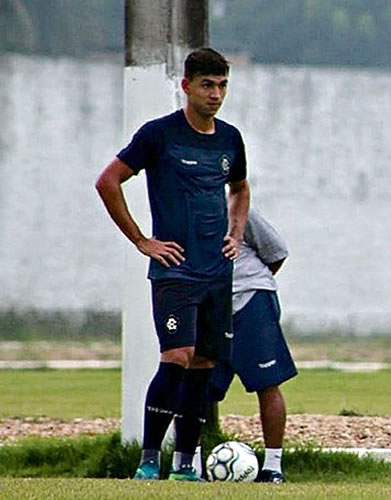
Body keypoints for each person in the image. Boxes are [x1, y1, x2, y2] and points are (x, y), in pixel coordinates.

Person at [95, 47, 250, 481]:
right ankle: (148, 460)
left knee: (203, 363)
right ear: (187, 86)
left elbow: (240, 188)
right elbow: (108, 181)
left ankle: (185, 464)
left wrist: (235, 235)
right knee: (177, 356)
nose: (216, 94)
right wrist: (143, 240)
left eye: (222, 85)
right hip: (175, 272)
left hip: (216, 271)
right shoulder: (159, 135)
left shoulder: (230, 139)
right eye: (207, 85)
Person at [207, 207, 297, 484]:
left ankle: (272, 467)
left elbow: (276, 253)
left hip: (251, 301)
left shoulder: (236, 208)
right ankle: (188, 464)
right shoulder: (180, 208)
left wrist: (246, 282)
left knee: (267, 383)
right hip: (208, 306)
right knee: (196, 386)